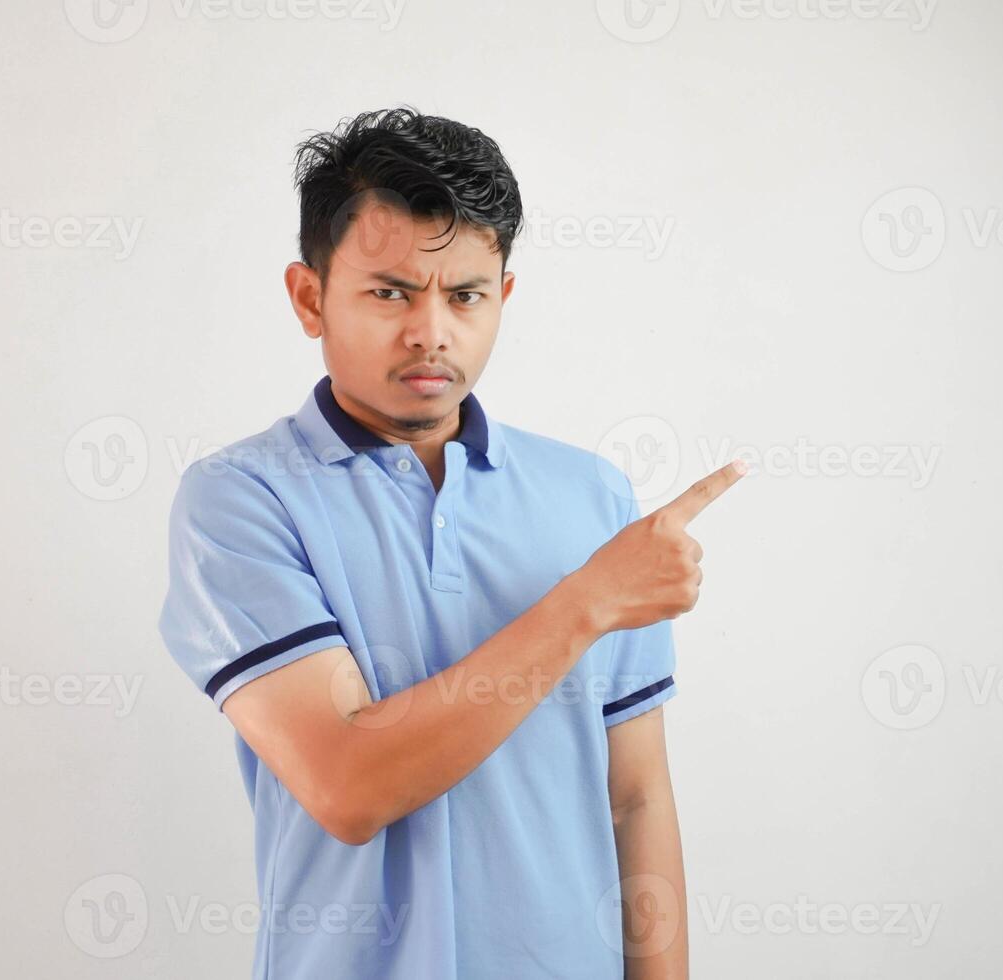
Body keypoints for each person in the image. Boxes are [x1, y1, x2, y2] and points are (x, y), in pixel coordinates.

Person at [158, 105, 746, 980]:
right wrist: (586, 603)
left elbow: (635, 800)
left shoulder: (591, 495)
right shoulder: (242, 499)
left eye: (464, 294)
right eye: (390, 291)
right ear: (309, 297)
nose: (431, 330)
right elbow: (349, 785)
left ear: (502, 296)